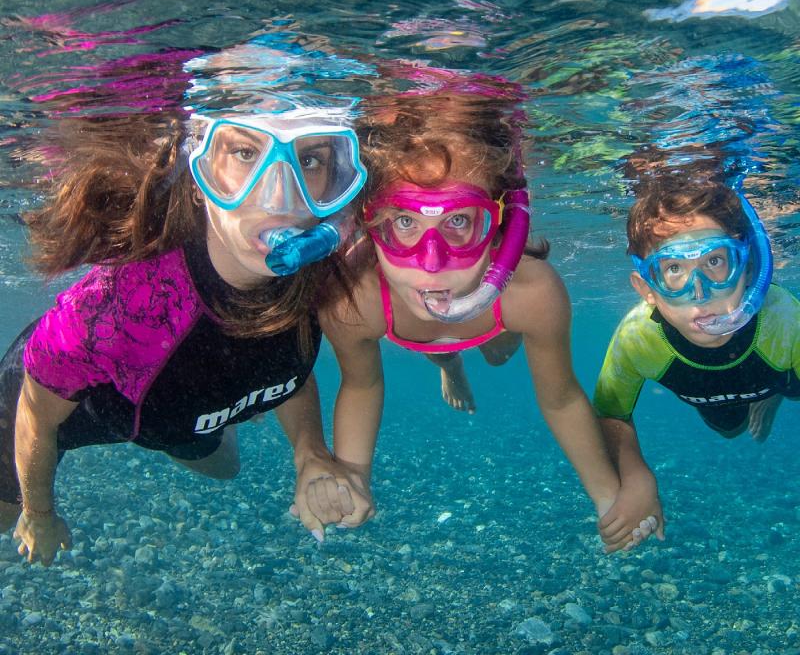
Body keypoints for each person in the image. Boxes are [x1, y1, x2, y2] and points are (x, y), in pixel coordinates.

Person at [2, 105, 371, 566]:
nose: (280, 197)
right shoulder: (122, 306)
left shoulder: (318, 273)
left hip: (178, 413)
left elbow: (287, 368)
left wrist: (310, 453)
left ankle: (190, 414)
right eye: (245, 153)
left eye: (311, 160)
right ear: (198, 175)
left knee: (225, 469)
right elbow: (36, 416)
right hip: (56, 412)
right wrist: (38, 513)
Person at [315, 71, 640, 551]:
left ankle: (455, 356)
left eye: (459, 221)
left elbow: (562, 400)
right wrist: (354, 476)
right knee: (435, 334)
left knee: (499, 353)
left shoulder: (531, 292)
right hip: (412, 321)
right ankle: (449, 365)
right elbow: (361, 384)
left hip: (488, 318)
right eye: (404, 221)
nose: (431, 262)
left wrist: (609, 496)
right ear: (371, 221)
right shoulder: (353, 299)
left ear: (500, 221)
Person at [594, 176, 799, 552]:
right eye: (673, 270)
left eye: (715, 261)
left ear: (747, 268)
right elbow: (611, 412)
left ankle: (773, 395)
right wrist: (635, 474)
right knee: (730, 430)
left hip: (781, 370)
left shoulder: (786, 322)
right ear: (646, 289)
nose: (700, 293)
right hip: (716, 392)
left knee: (793, 388)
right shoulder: (638, 338)